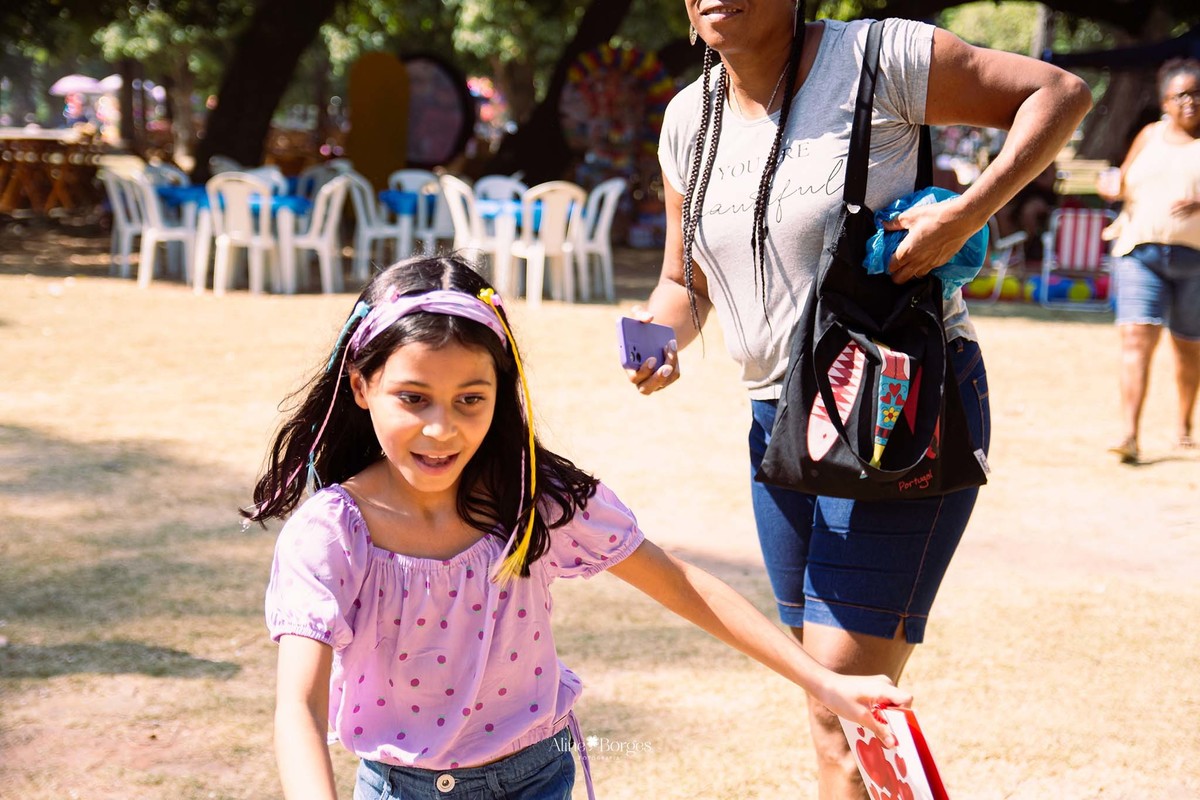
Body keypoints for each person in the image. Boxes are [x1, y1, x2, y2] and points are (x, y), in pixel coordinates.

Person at [624, 3, 1091, 798]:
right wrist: (650, 342)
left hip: (893, 404)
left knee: (848, 705)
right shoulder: (686, 120)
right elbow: (683, 281)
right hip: (778, 425)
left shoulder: (882, 57)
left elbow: (1059, 92)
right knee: (829, 703)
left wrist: (968, 212)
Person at [246, 254, 911, 800]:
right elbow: (298, 707)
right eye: (412, 398)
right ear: (361, 387)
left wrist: (821, 679)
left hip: (537, 780)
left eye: (470, 400)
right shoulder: (334, 533)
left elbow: (681, 585)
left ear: (501, 393)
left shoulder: (534, 498)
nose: (441, 428)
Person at [1099, 58, 1200, 464]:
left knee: (1188, 348)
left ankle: (1183, 425)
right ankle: (1129, 435)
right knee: (1136, 339)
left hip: (1195, 262)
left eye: (1198, 94)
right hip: (1140, 253)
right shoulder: (1148, 136)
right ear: (1165, 101)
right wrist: (1111, 188)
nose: (1191, 102)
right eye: (1183, 95)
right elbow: (1121, 181)